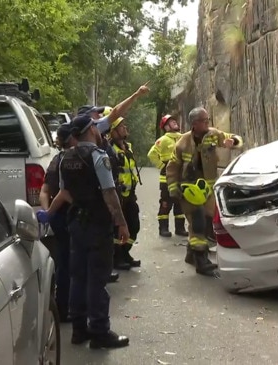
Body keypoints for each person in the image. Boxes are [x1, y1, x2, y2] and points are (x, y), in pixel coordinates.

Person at [40, 114, 130, 349]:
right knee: (97, 279)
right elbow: (109, 193)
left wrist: (51, 213)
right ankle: (99, 331)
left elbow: (64, 192)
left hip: (75, 223)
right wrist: (121, 222)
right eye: (96, 126)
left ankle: (79, 330)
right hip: (98, 224)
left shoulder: (64, 158)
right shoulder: (98, 156)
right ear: (91, 130)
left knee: (77, 277)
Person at [166, 107, 244, 276]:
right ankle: (201, 261)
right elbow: (172, 167)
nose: (208, 123)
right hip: (188, 190)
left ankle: (190, 253)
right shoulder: (183, 143)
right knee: (198, 222)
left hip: (207, 189)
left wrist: (233, 143)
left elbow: (235, 139)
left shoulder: (213, 134)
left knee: (210, 220)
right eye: (204, 120)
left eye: (208, 120)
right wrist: (173, 189)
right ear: (194, 124)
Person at [38, 123, 78, 322]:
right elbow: (64, 193)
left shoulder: (56, 160)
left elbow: (45, 191)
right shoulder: (74, 159)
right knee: (74, 263)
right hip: (74, 216)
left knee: (64, 261)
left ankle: (63, 307)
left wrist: (47, 212)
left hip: (60, 217)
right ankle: (70, 308)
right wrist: (51, 211)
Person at [108, 116, 142, 270]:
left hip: (130, 194)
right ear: (112, 132)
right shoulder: (110, 151)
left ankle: (125, 252)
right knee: (118, 228)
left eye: (124, 125)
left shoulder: (127, 147)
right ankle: (117, 257)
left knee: (134, 225)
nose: (125, 128)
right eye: (120, 126)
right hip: (118, 195)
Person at [148, 114, 188, 238]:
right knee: (166, 203)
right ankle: (163, 228)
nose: (175, 122)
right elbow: (151, 154)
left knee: (180, 203)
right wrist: (162, 166)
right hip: (166, 179)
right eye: (171, 121)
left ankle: (180, 228)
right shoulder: (163, 140)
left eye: (175, 120)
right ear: (166, 127)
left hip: (181, 177)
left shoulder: (183, 138)